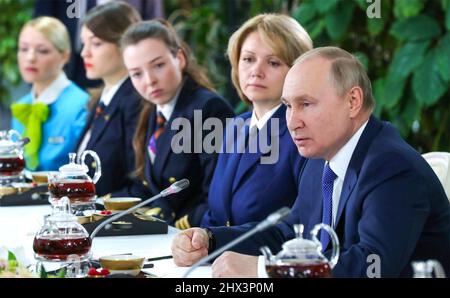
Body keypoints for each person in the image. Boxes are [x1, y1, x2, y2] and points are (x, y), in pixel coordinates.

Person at [170, 47, 450, 277]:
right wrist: (211, 241)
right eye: (288, 106)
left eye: (306, 104)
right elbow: (290, 232)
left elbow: (371, 266)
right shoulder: (322, 156)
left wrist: (264, 270)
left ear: (353, 101)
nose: (292, 122)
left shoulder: (391, 166)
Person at [200, 14, 312, 228]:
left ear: (298, 71)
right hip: (216, 258)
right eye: (248, 59)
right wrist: (195, 240)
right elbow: (216, 214)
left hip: (267, 260)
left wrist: (214, 241)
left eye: (273, 62)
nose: (256, 72)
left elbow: (298, 224)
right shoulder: (236, 126)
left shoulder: (303, 132)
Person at [121, 19, 235, 228]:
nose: (149, 80)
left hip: (193, 232)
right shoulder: (153, 110)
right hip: (162, 228)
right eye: (137, 74)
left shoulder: (207, 109)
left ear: (179, 58)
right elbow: (149, 185)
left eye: (158, 65)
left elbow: (216, 193)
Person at [76, 1, 142, 196]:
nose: (84, 52)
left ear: (125, 45)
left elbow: (137, 181)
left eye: (96, 43)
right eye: (83, 43)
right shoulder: (101, 98)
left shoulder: (135, 101)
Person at [11, 16, 89, 171]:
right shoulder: (22, 106)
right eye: (24, 49)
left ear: (64, 56)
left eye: (42, 51)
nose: (30, 58)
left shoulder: (82, 105)